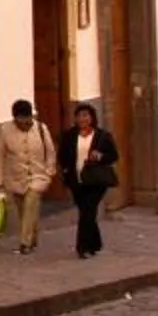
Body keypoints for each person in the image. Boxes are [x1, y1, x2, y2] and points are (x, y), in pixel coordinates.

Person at [0, 99, 55, 255]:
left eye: (27, 120)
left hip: (38, 176)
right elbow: (0, 155)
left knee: (30, 204)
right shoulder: (5, 130)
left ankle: (24, 243)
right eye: (21, 121)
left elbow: (50, 151)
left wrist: (49, 172)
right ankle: (33, 239)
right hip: (15, 177)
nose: (25, 124)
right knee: (25, 211)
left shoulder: (41, 128)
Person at [59, 102, 118, 261]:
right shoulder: (69, 136)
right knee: (87, 212)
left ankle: (82, 247)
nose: (83, 119)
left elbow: (113, 156)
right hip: (77, 180)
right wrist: (66, 169)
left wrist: (101, 156)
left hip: (96, 180)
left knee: (87, 210)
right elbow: (63, 155)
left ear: (92, 117)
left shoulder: (102, 136)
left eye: (86, 115)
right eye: (79, 116)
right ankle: (95, 243)